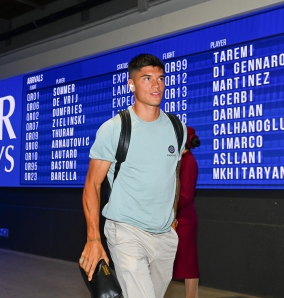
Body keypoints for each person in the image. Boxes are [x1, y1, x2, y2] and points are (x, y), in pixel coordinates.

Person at [79, 53, 186, 298]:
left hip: (165, 236)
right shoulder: (115, 128)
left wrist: (172, 216)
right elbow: (92, 186)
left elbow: (174, 175)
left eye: (160, 78)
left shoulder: (176, 127)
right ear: (131, 84)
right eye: (146, 78)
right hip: (126, 231)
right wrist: (94, 239)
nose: (155, 84)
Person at [173, 126, 201, 298]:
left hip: (184, 221)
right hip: (176, 219)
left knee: (188, 264)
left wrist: (168, 211)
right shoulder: (177, 159)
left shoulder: (189, 161)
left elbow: (185, 196)